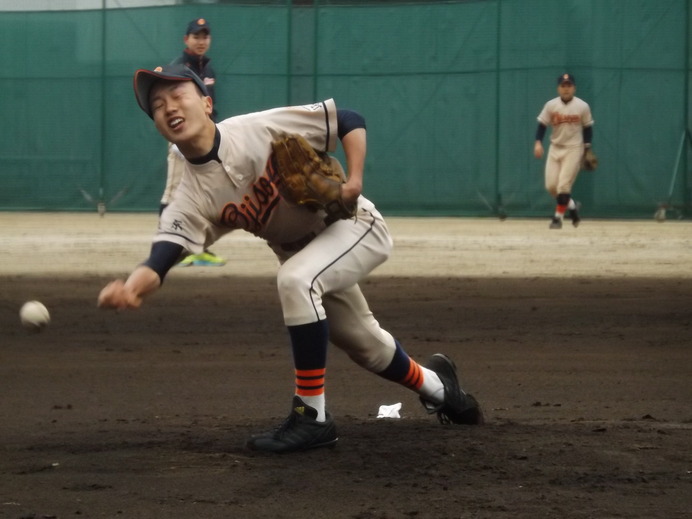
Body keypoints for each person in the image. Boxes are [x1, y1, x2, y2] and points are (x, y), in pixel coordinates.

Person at [97, 64, 483, 453]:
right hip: (306, 255)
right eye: (157, 105)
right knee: (368, 346)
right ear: (158, 126)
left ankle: (311, 417)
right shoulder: (188, 195)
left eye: (178, 95)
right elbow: (163, 256)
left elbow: (348, 120)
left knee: (296, 281)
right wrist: (131, 288)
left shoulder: (257, 128)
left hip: (353, 225)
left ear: (207, 102)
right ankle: (443, 389)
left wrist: (354, 181)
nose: (168, 107)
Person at [162, 17, 224, 266]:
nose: (201, 40)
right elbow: (167, 104)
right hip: (182, 139)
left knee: (206, 194)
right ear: (186, 39)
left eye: (205, 36)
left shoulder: (208, 70)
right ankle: (164, 248)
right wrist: (175, 137)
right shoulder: (178, 68)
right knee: (173, 192)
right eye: (196, 36)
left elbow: (211, 108)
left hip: (205, 139)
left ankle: (198, 247)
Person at [533, 73, 595, 229]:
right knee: (551, 187)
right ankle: (573, 207)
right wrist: (538, 142)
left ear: (574, 88)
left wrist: (587, 148)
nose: (566, 89)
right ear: (558, 88)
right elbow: (542, 125)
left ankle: (557, 219)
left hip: (574, 148)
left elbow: (587, 127)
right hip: (555, 148)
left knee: (563, 187)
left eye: (569, 86)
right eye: (563, 86)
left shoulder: (582, 106)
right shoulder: (551, 105)